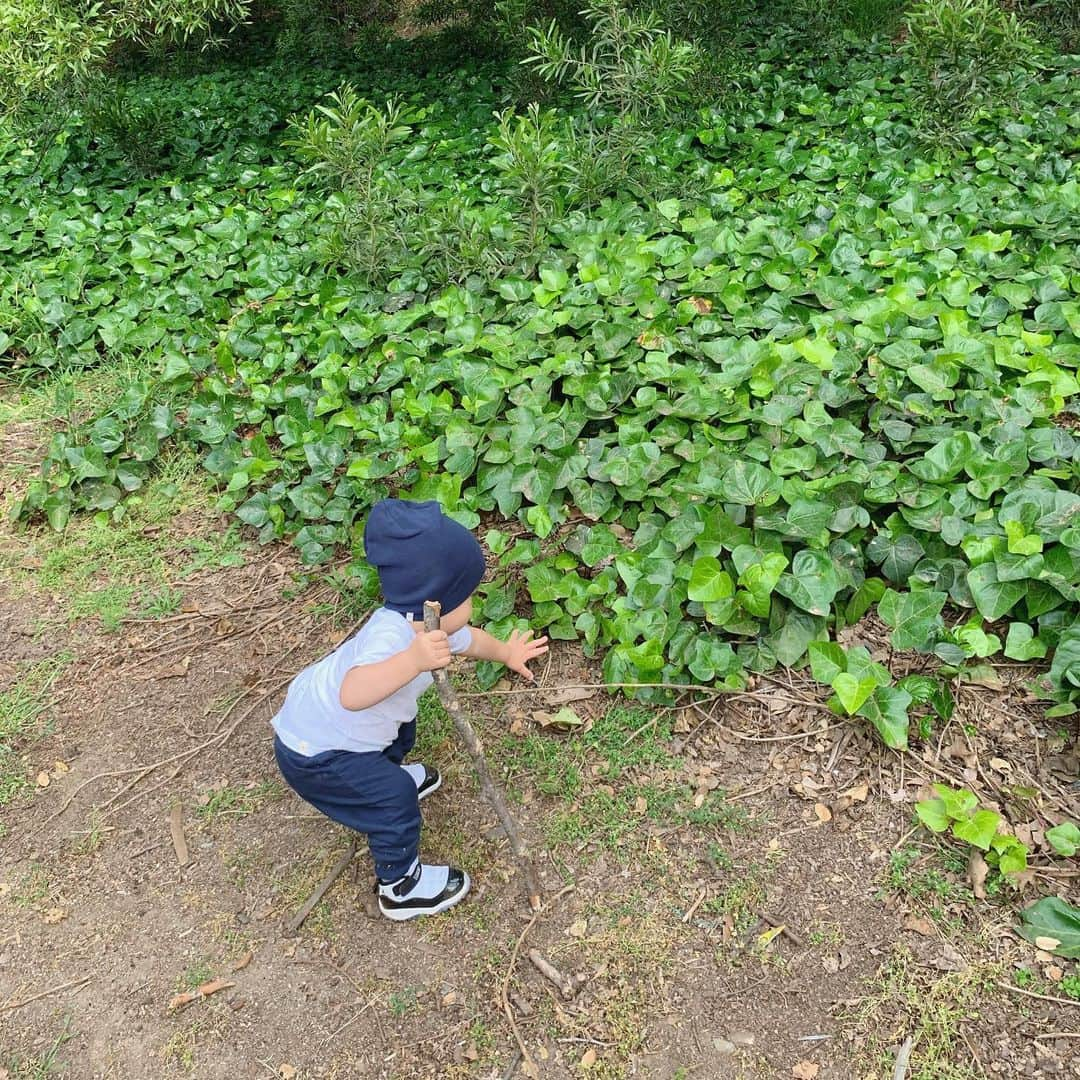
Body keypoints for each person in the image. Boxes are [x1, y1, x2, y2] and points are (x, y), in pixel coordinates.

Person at [272, 498, 549, 921]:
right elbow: (353, 693)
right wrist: (412, 662)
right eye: (468, 594)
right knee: (394, 800)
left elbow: (470, 640)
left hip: (346, 730)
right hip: (317, 753)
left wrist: (507, 653)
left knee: (404, 729)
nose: (474, 600)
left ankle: (385, 769)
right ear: (435, 598)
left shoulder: (430, 626)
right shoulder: (392, 636)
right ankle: (400, 886)